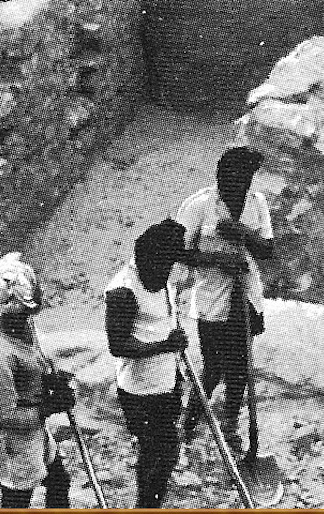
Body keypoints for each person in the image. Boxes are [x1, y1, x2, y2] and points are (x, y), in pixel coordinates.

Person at [174, 146, 274, 456]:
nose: (239, 188)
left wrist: (244, 233)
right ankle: (189, 423)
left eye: (245, 182)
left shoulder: (256, 204)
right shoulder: (198, 207)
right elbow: (178, 252)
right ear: (220, 176)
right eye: (233, 181)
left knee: (240, 368)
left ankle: (230, 425)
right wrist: (217, 259)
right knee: (213, 366)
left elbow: (267, 250)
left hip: (246, 297)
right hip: (212, 299)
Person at [105, 218, 191, 510]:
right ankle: (146, 505)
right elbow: (118, 345)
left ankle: (152, 502)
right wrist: (164, 346)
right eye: (163, 266)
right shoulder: (122, 291)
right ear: (146, 260)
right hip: (139, 391)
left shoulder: (161, 275)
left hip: (166, 381)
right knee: (155, 451)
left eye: (170, 266)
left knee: (166, 452)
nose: (166, 272)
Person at [0, 252, 74, 510]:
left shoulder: (24, 326)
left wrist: (51, 381)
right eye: (21, 314)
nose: (26, 318)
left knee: (59, 481)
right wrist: (48, 407)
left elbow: (35, 363)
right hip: (13, 440)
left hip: (34, 431)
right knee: (17, 502)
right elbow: (4, 416)